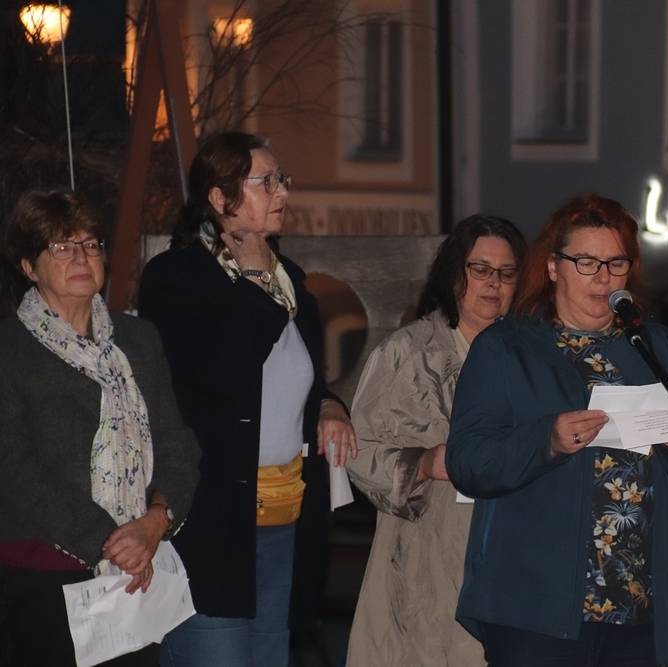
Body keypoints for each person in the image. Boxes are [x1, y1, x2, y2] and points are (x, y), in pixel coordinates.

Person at [445, 193, 668, 667]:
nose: (603, 277)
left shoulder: (661, 349)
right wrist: (546, 441)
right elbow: (467, 462)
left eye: (616, 263)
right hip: (537, 610)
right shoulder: (506, 347)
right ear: (553, 267)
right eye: (586, 262)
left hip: (644, 607)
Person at [137, 131, 357, 667]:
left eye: (282, 180)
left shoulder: (291, 281)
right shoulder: (176, 278)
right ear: (220, 197)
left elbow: (297, 381)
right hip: (212, 526)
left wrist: (329, 405)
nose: (282, 192)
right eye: (266, 182)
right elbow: (221, 375)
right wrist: (254, 280)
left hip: (284, 523)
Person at [0, 189, 199, 666]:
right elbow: (13, 468)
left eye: (90, 245)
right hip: (44, 576)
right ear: (29, 267)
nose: (81, 257)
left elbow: (178, 445)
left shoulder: (139, 339)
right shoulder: (9, 351)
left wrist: (155, 521)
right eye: (61, 247)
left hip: (138, 570)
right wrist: (112, 543)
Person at [345, 214, 527, 667]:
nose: (493, 283)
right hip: (425, 556)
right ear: (454, 273)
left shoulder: (533, 355)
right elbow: (359, 449)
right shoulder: (406, 353)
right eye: (480, 269)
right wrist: (423, 464)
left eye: (506, 273)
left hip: (514, 552)